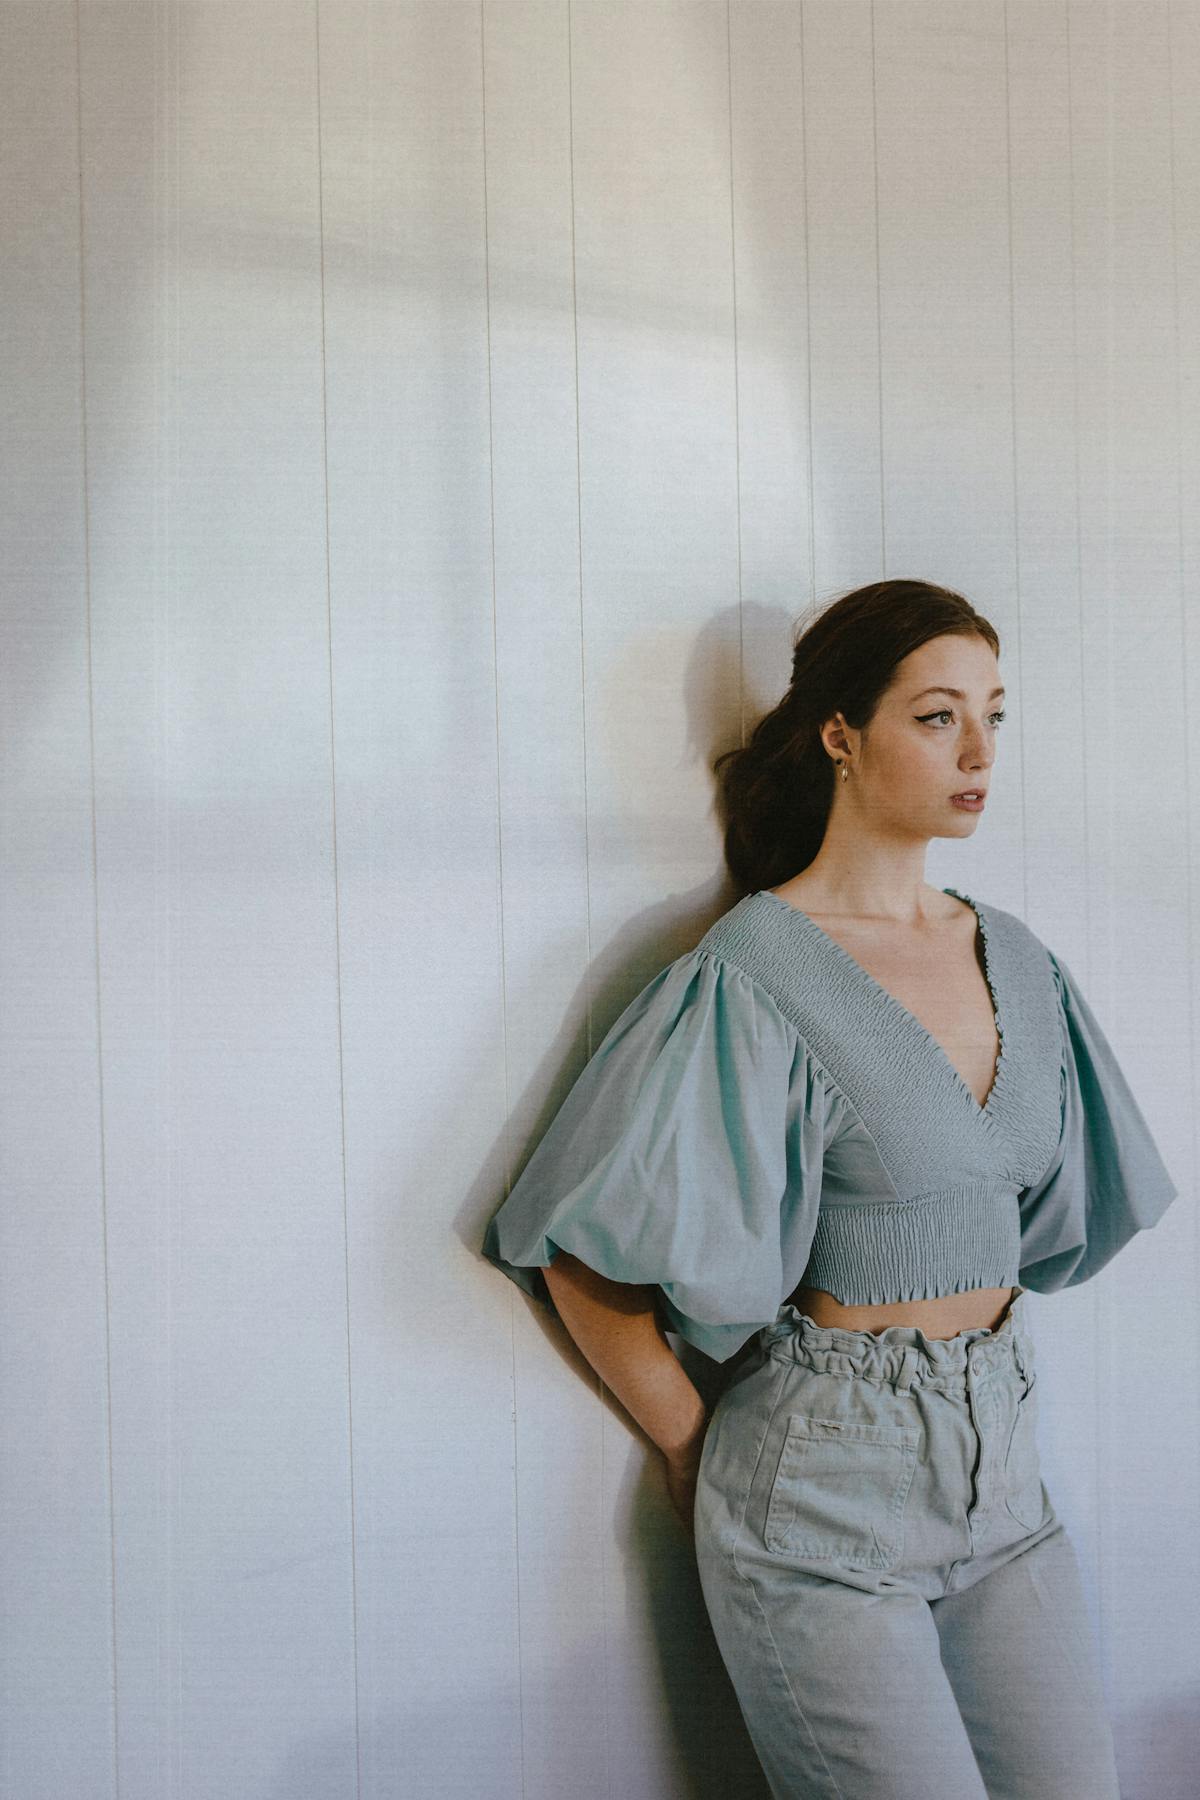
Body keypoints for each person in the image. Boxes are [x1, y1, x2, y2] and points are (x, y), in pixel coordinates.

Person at [480, 578, 1178, 1799]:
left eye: (993, 718)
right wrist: (705, 1453)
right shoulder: (757, 968)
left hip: (1005, 1477)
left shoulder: (1015, 953)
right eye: (936, 716)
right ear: (840, 735)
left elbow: (1054, 1217)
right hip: (818, 1493)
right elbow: (577, 1253)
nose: (977, 752)